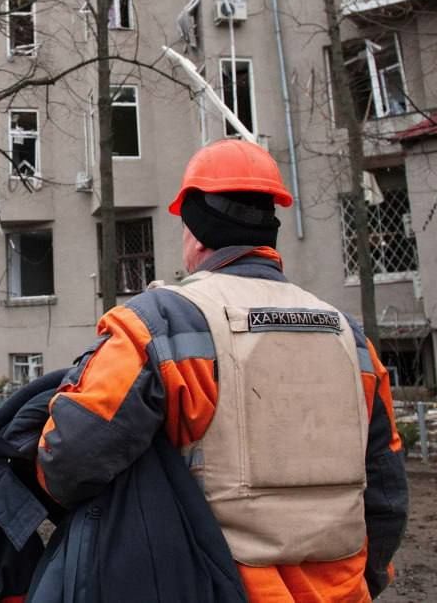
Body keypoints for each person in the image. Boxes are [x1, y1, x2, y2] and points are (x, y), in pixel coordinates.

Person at [36, 139, 409, 601]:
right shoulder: (350, 339)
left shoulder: (158, 324)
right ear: (270, 227)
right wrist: (363, 582)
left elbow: (69, 460)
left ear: (194, 231)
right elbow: (386, 493)